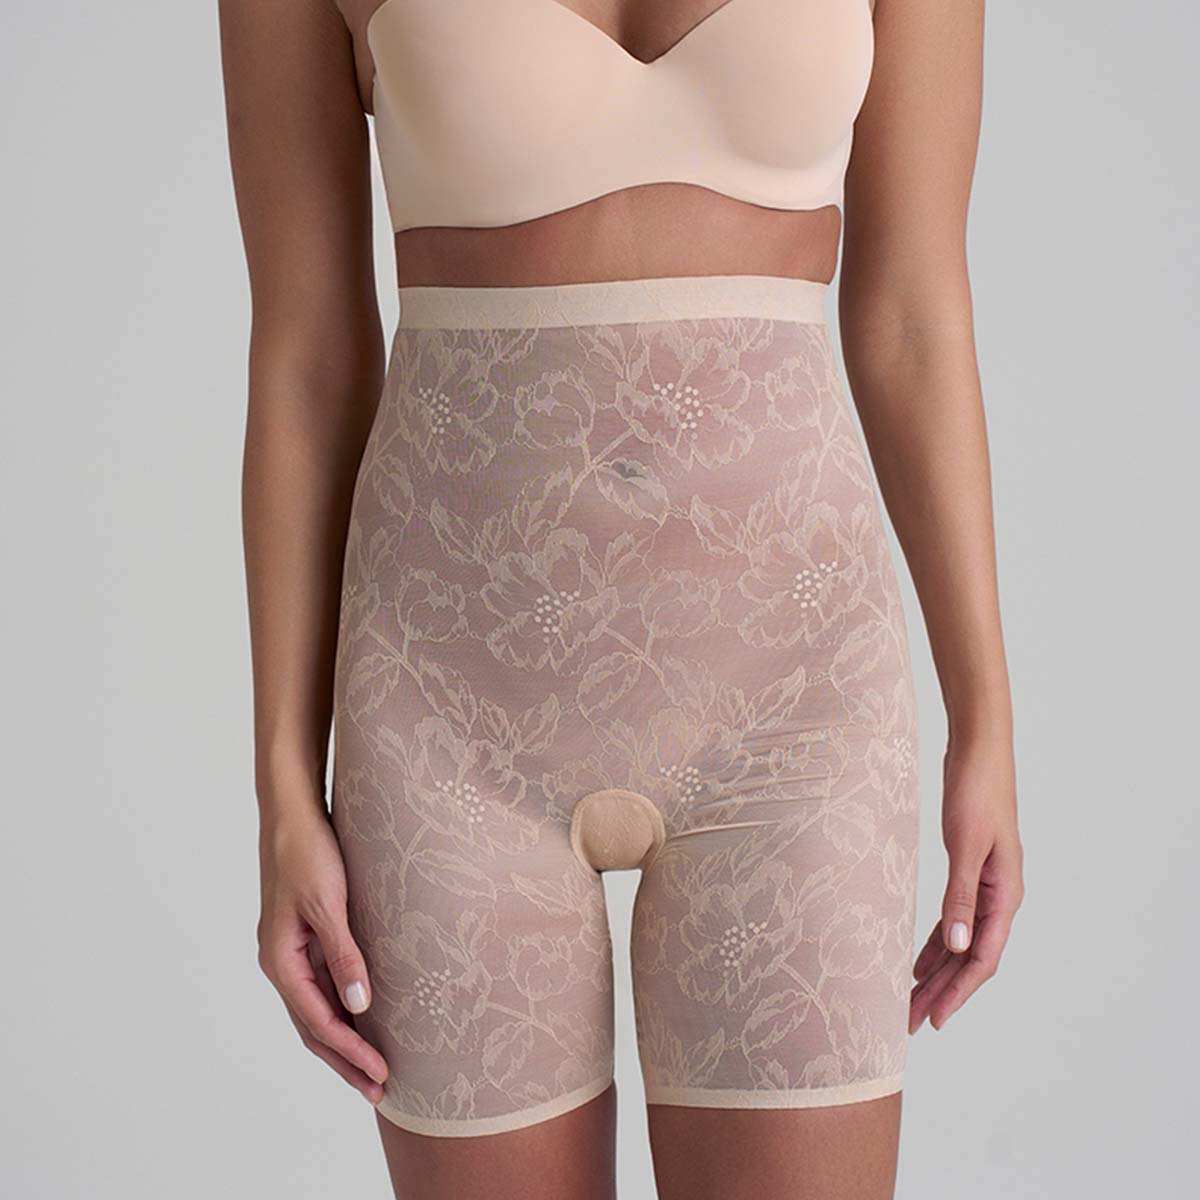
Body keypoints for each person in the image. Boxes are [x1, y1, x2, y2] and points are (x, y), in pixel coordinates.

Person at [218, 1, 1024, 1196]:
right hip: (448, 719)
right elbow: (307, 357)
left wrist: (986, 719)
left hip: (796, 706)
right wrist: (283, 785)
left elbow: (914, 317)